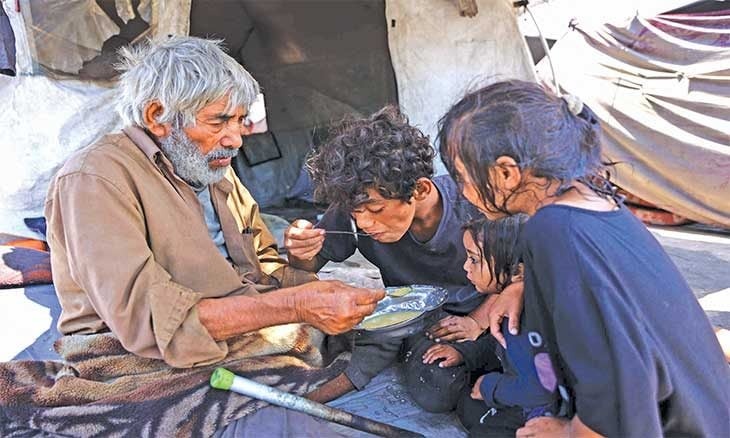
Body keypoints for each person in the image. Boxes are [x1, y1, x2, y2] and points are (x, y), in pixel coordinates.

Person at [44, 36, 383, 434]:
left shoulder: (214, 172)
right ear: (157, 116)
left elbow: (261, 270)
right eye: (219, 122)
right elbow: (148, 323)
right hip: (139, 355)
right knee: (280, 426)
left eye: (239, 121)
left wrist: (301, 260)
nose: (235, 139)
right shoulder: (94, 179)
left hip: (238, 333)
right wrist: (295, 305)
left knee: (383, 340)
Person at [437, 79, 730, 437]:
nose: (463, 192)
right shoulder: (597, 202)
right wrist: (520, 286)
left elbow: (613, 402)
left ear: (506, 173)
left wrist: (566, 432)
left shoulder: (552, 231)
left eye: (463, 178)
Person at [284, 106, 521, 412]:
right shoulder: (357, 205)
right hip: (422, 320)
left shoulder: (475, 205)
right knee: (436, 389)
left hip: (491, 309)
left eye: (376, 210)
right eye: (356, 214)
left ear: (420, 190)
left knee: (523, 358)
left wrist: (477, 320)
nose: (364, 223)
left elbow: (521, 274)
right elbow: (309, 265)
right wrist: (299, 249)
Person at [423, 216, 562, 437]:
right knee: (469, 406)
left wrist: (491, 386)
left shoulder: (524, 319)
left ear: (517, 272)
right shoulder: (525, 299)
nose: (466, 266)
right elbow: (505, 346)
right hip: (536, 393)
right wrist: (466, 352)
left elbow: (542, 390)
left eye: (474, 259)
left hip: (548, 416)